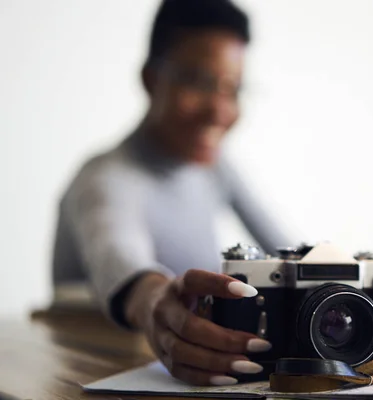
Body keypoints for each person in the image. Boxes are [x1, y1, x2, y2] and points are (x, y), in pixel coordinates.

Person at [51, 0, 295, 387]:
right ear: (150, 79)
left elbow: (291, 251)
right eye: (199, 82)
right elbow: (121, 259)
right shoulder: (102, 178)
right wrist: (153, 301)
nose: (219, 109)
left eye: (233, 89)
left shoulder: (216, 167)